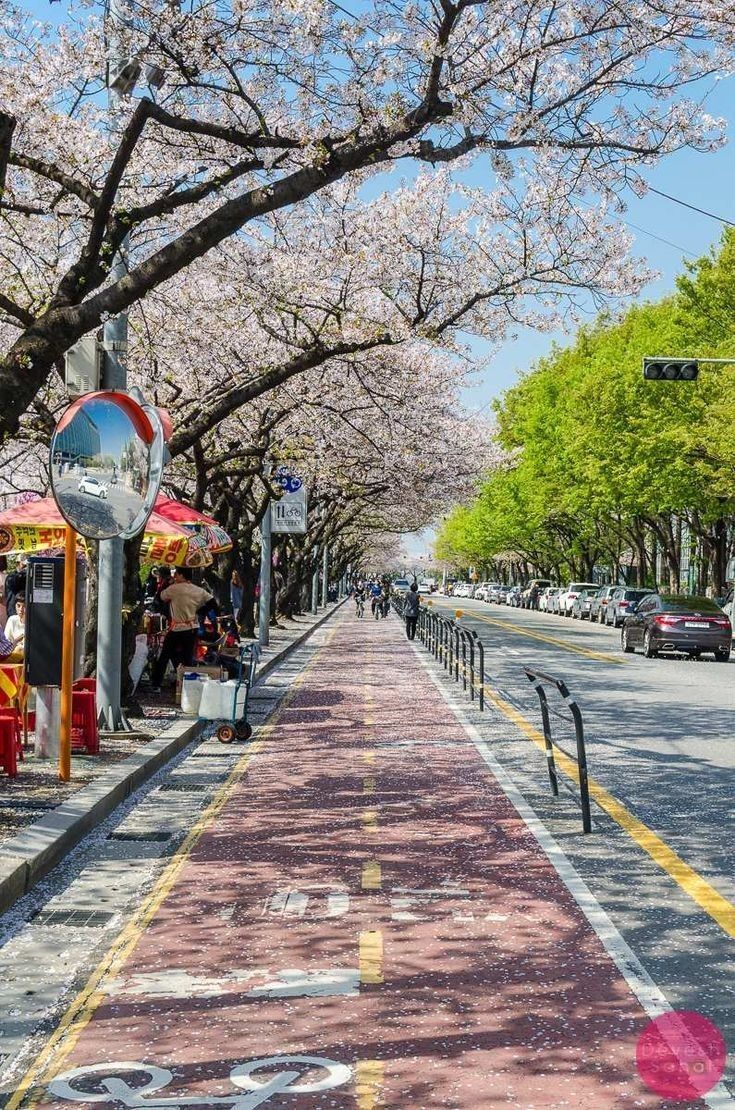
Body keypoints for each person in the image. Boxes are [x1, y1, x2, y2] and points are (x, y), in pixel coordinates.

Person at [150, 567, 214, 692]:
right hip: (192, 628)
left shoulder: (174, 589)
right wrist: (199, 611)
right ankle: (188, 683)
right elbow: (212, 603)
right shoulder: (198, 590)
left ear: (181, 575)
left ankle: (156, 683)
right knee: (187, 656)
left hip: (177, 628)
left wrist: (166, 585)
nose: (174, 577)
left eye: (176, 574)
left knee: (165, 655)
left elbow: (159, 598)